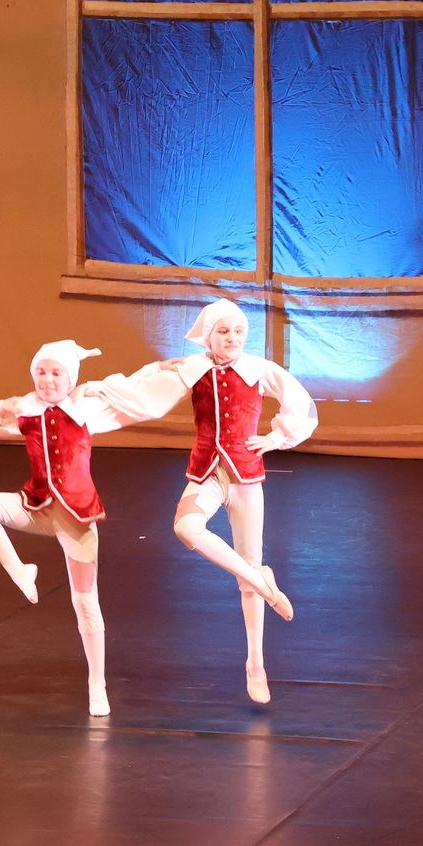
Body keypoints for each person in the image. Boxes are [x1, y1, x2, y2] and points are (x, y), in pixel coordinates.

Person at [89, 299, 310, 704]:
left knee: (247, 577)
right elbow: (143, 394)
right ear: (209, 336)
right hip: (206, 472)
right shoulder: (192, 368)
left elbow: (299, 401)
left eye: (238, 331)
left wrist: (276, 438)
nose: (232, 338)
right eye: (223, 332)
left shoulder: (259, 369)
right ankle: (261, 579)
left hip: (245, 477)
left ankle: (256, 664)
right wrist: (112, 385)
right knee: (186, 528)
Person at [0, 340, 159, 718]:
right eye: (41, 372)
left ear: (70, 379)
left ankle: (96, 682)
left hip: (76, 518)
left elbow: (139, 392)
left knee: (85, 602)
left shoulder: (86, 409)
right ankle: (20, 570)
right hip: (36, 508)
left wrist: (166, 369)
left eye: (56, 373)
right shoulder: (24, 409)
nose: (47, 380)